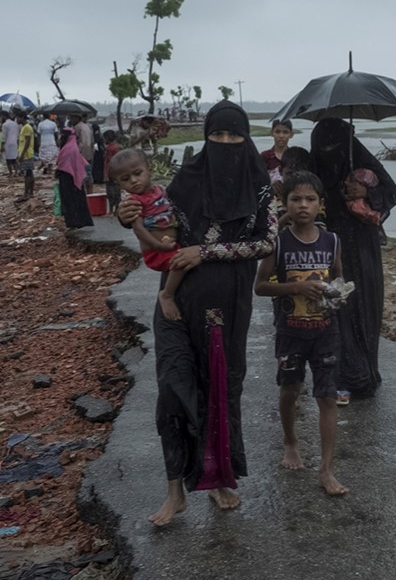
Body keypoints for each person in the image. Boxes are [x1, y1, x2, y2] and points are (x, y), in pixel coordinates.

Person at [116, 101, 277, 525]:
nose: (225, 143)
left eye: (234, 135)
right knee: (173, 387)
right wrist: (125, 215)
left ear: (246, 138)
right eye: (217, 135)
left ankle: (220, 477)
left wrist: (206, 251)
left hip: (228, 304)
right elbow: (157, 219)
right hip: (175, 301)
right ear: (206, 136)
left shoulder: (260, 187)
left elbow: (267, 243)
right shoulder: (185, 180)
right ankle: (175, 490)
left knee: (220, 389)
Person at [254, 171, 349, 497]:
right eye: (296, 199)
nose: (303, 205)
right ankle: (291, 442)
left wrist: (336, 295)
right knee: (290, 390)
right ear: (286, 204)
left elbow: (338, 280)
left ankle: (326, 468)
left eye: (310, 199)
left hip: (326, 331)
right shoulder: (277, 243)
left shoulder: (332, 241)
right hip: (291, 332)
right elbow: (260, 286)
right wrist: (297, 286)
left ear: (321, 205)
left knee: (327, 396)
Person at [310, 119, 396, 400]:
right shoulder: (313, 169)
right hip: (328, 247)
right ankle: (345, 377)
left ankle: (367, 371)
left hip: (363, 249)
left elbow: (392, 193)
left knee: (365, 308)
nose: (329, 152)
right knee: (337, 309)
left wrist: (366, 192)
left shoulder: (363, 164)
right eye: (323, 146)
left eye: (335, 146)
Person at [110, 147, 186, 322]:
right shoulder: (135, 202)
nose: (134, 181)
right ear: (119, 184)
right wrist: (158, 245)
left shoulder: (161, 190)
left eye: (138, 173)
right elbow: (139, 230)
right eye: (125, 179)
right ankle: (167, 294)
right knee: (181, 264)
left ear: (149, 168)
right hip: (157, 251)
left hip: (169, 245)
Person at [54, 128, 93, 229]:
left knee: (70, 201)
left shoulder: (69, 149)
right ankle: (78, 221)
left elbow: (64, 165)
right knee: (76, 200)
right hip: (72, 178)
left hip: (68, 178)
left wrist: (58, 170)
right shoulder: (71, 147)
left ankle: (74, 222)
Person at [16, 113, 36, 200]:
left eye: (18, 117)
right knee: (29, 173)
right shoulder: (25, 127)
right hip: (27, 153)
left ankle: (26, 193)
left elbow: (27, 142)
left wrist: (22, 154)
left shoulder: (27, 128)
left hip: (26, 154)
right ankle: (30, 192)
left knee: (27, 174)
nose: (17, 120)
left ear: (22, 118)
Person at [102, 130, 122, 212]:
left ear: (108, 138)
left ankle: (111, 209)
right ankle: (117, 209)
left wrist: (105, 174)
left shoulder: (110, 148)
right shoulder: (118, 147)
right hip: (118, 172)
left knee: (110, 191)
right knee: (117, 190)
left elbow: (108, 162)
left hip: (111, 172)